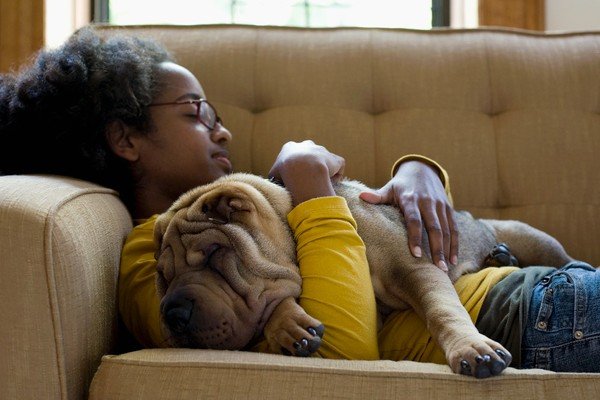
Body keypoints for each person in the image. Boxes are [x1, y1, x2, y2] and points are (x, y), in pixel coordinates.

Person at [0, 28, 455, 361]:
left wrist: (419, 172)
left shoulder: (242, 211)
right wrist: (312, 187)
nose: (223, 132)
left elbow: (383, 239)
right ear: (126, 139)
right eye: (197, 112)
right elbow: (340, 352)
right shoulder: (147, 258)